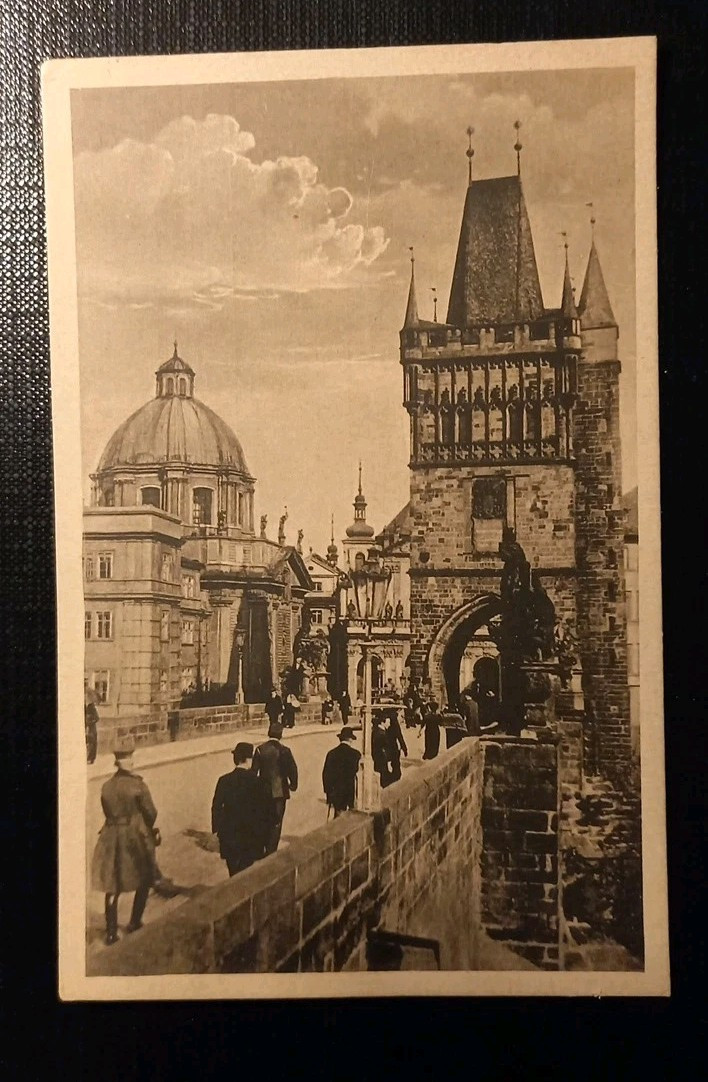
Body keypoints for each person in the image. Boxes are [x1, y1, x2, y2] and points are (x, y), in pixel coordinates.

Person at [91, 737, 160, 945]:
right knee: (145, 876)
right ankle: (135, 922)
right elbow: (151, 813)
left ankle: (111, 933)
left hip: (111, 836)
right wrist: (145, 827)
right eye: (129, 759)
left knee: (113, 884)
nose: (130, 762)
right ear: (124, 762)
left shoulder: (106, 786)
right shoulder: (138, 785)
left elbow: (107, 811)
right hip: (133, 836)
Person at [211, 742, 273, 876]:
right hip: (251, 838)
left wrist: (217, 831)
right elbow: (267, 813)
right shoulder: (259, 782)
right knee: (247, 873)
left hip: (230, 838)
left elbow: (216, 807)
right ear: (249, 760)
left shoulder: (224, 780)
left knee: (233, 873)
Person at [252, 723, 299, 853]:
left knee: (263, 818)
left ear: (269, 733)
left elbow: (253, 772)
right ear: (281, 735)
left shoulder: (260, 749)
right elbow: (293, 769)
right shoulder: (285, 751)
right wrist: (293, 784)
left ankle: (262, 846)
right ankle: (271, 850)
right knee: (276, 822)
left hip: (263, 791)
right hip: (280, 792)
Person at [322, 727, 361, 817]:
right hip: (350, 792)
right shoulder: (355, 754)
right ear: (350, 739)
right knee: (350, 818)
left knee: (338, 817)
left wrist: (328, 793)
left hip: (336, 793)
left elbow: (326, 775)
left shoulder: (331, 753)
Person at [385, 709, 408, 783]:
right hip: (393, 745)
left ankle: (393, 776)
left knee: (391, 761)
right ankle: (396, 775)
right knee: (395, 762)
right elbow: (399, 736)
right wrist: (404, 748)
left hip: (388, 745)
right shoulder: (395, 723)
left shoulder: (388, 723)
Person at [372, 714, 393, 788]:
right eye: (388, 722)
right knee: (383, 777)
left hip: (380, 758)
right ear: (382, 722)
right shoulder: (380, 733)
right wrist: (388, 759)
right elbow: (383, 748)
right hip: (381, 758)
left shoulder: (378, 731)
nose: (389, 724)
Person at [84, 695, 99, 765]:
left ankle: (91, 758)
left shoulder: (92, 708)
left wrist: (90, 722)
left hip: (91, 728)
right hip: (85, 727)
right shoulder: (83, 707)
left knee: (92, 743)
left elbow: (97, 718)